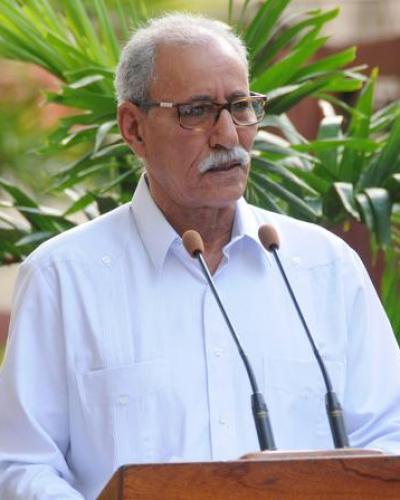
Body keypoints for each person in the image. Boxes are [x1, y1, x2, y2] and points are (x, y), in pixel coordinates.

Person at [1, 12, 400, 500]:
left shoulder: (323, 268)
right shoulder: (64, 277)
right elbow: (20, 466)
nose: (228, 135)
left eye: (240, 106)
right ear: (134, 128)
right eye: (196, 111)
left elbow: (389, 437)